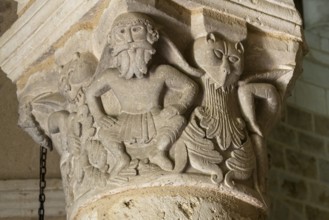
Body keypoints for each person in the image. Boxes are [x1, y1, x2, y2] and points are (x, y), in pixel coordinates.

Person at [86, 12, 198, 175]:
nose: (130, 39)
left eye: (136, 30)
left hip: (155, 117)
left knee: (177, 120)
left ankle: (159, 151)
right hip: (123, 121)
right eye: (122, 32)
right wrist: (99, 117)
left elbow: (191, 86)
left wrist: (180, 106)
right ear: (113, 40)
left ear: (152, 36)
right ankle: (121, 157)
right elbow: (91, 93)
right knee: (104, 132)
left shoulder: (162, 72)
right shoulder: (110, 75)